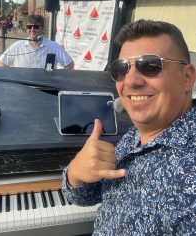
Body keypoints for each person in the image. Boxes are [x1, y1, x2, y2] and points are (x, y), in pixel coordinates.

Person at [62, 19, 196, 235]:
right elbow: (83, 197)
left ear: (187, 78)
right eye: (121, 68)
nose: (130, 80)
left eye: (151, 65)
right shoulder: (134, 136)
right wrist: (75, 173)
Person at [0, 15, 74, 69]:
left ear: (42, 28)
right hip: (22, 89)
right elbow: (1, 62)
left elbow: (69, 64)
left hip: (43, 89)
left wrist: (57, 78)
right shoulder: (17, 46)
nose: (32, 29)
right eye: (29, 27)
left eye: (36, 27)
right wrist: (12, 77)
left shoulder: (53, 46)